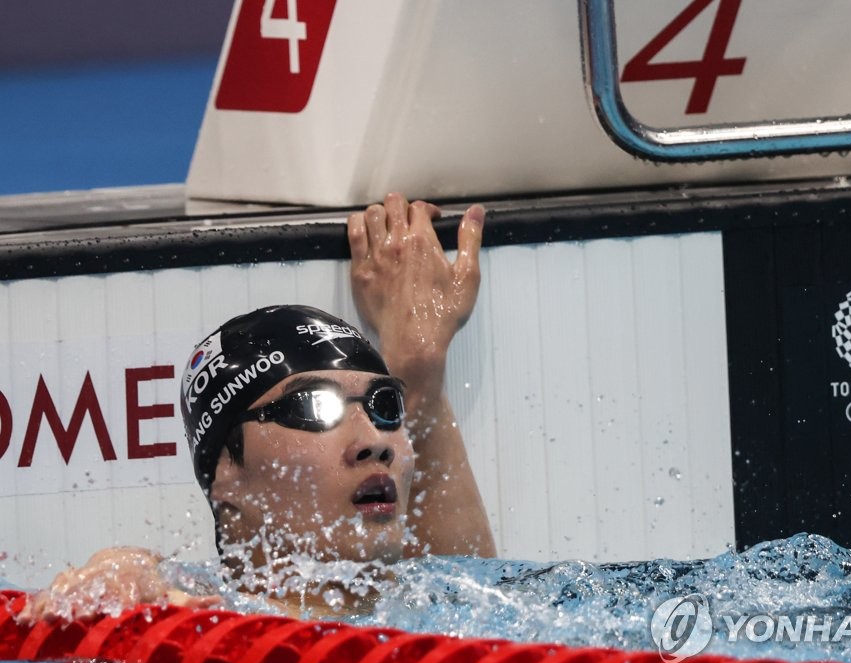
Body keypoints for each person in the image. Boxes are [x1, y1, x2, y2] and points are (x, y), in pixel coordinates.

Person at [17, 193, 495, 622]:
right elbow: (135, 575)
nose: (375, 443)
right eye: (312, 406)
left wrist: (420, 365)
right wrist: (118, 570)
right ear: (227, 469)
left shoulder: (439, 610)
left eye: (384, 405)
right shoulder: (199, 617)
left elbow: (474, 586)